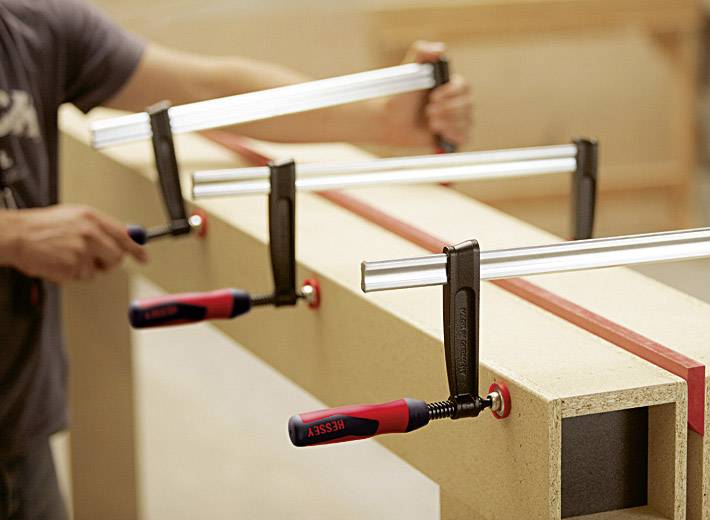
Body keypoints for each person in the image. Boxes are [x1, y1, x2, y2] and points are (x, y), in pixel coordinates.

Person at [0, 0, 473, 518]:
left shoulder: (34, 26)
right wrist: (13, 234)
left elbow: (211, 90)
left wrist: (381, 120)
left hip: (17, 423)